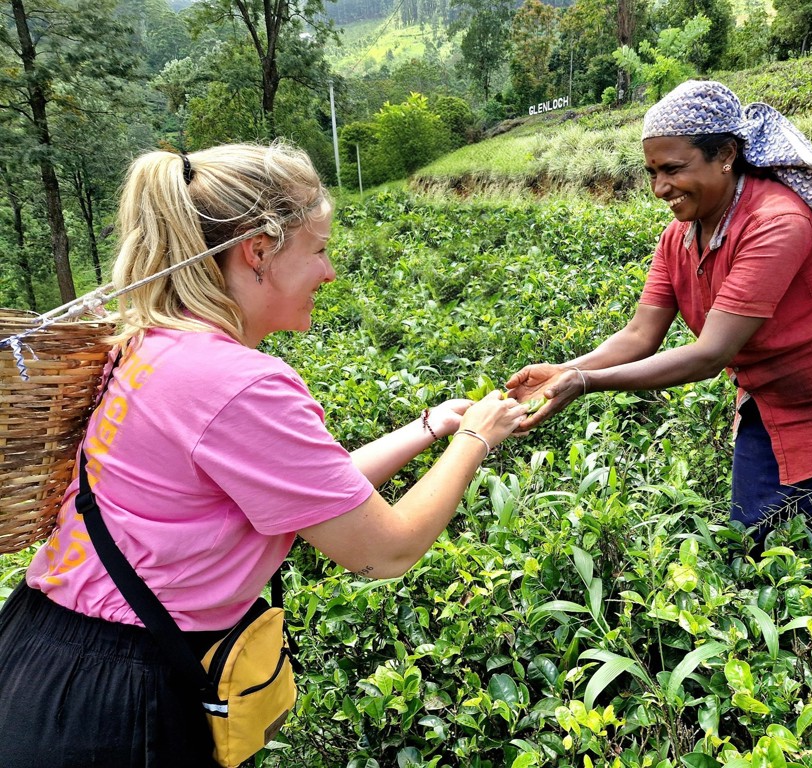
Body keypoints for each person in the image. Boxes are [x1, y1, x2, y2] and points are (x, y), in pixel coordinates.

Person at [0, 142, 526, 767]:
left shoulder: (151, 345)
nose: (329, 273)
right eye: (319, 250)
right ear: (258, 250)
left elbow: (311, 498)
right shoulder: (237, 384)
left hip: (41, 650)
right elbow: (385, 550)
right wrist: (477, 439)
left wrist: (431, 427)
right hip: (114, 699)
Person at [506, 80, 812, 544]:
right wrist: (562, 373)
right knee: (749, 538)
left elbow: (710, 354)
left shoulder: (776, 222)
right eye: (652, 172)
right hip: (768, 395)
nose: (660, 188)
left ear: (726, 153)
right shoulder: (678, 236)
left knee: (809, 549)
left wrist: (586, 382)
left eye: (673, 169)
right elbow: (639, 334)